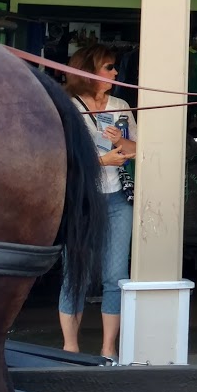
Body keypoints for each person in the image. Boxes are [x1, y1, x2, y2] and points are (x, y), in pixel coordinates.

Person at [58, 42, 137, 360]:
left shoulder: (120, 105)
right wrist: (103, 161)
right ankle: (70, 347)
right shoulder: (68, 106)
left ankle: (108, 348)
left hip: (118, 199)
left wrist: (122, 143)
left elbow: (136, 149)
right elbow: (61, 156)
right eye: (109, 67)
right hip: (82, 199)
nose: (116, 72)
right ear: (89, 71)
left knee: (115, 276)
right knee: (74, 272)